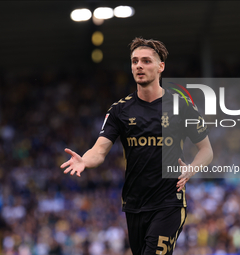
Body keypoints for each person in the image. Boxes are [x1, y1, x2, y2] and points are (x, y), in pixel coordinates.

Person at [60, 37, 213, 255]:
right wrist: (85, 160)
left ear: (161, 67)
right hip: (134, 205)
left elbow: (206, 150)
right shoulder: (119, 111)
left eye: (146, 61)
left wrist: (192, 168)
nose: (139, 66)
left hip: (169, 202)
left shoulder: (182, 107)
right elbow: (99, 150)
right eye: (134, 61)